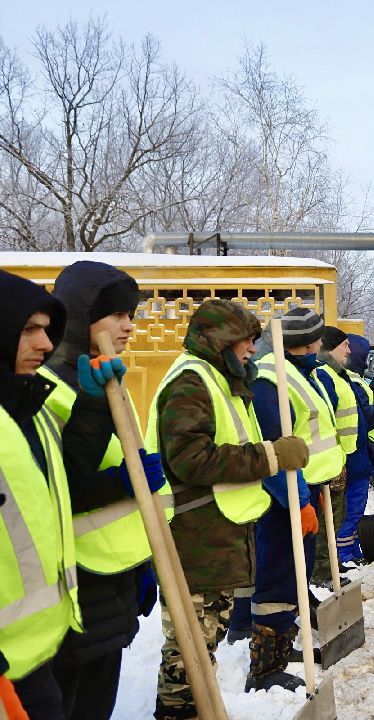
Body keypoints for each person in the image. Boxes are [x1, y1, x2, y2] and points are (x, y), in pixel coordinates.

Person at [144, 299, 308, 720]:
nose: (252, 350)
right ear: (220, 341)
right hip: (194, 534)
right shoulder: (191, 382)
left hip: (217, 534)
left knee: (203, 643)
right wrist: (271, 457)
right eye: (245, 341)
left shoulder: (219, 379)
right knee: (189, 649)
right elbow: (191, 459)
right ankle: (180, 712)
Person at [42, 261, 170, 720]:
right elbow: (50, 491)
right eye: (116, 315)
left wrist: (139, 566)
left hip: (110, 581)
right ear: (80, 316)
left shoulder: (106, 380)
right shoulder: (47, 388)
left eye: (130, 315)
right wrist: (121, 483)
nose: (129, 326)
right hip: (73, 585)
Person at [0, 270, 118, 719]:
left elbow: (63, 486)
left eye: (46, 330)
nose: (45, 344)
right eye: (28, 329)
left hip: (42, 644)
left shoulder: (28, 408)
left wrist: (91, 408)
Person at [247, 308, 345, 692]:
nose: (321, 346)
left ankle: (284, 644)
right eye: (317, 339)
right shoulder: (272, 381)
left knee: (293, 573)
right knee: (277, 577)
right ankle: (265, 667)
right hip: (281, 500)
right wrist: (299, 501)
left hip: (302, 492)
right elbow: (275, 452)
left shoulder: (300, 373)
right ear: (304, 343)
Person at [314, 328, 374, 573]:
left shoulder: (343, 377)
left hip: (359, 455)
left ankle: (350, 551)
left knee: (355, 510)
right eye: (345, 345)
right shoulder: (330, 377)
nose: (350, 350)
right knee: (346, 512)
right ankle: (341, 555)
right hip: (347, 458)